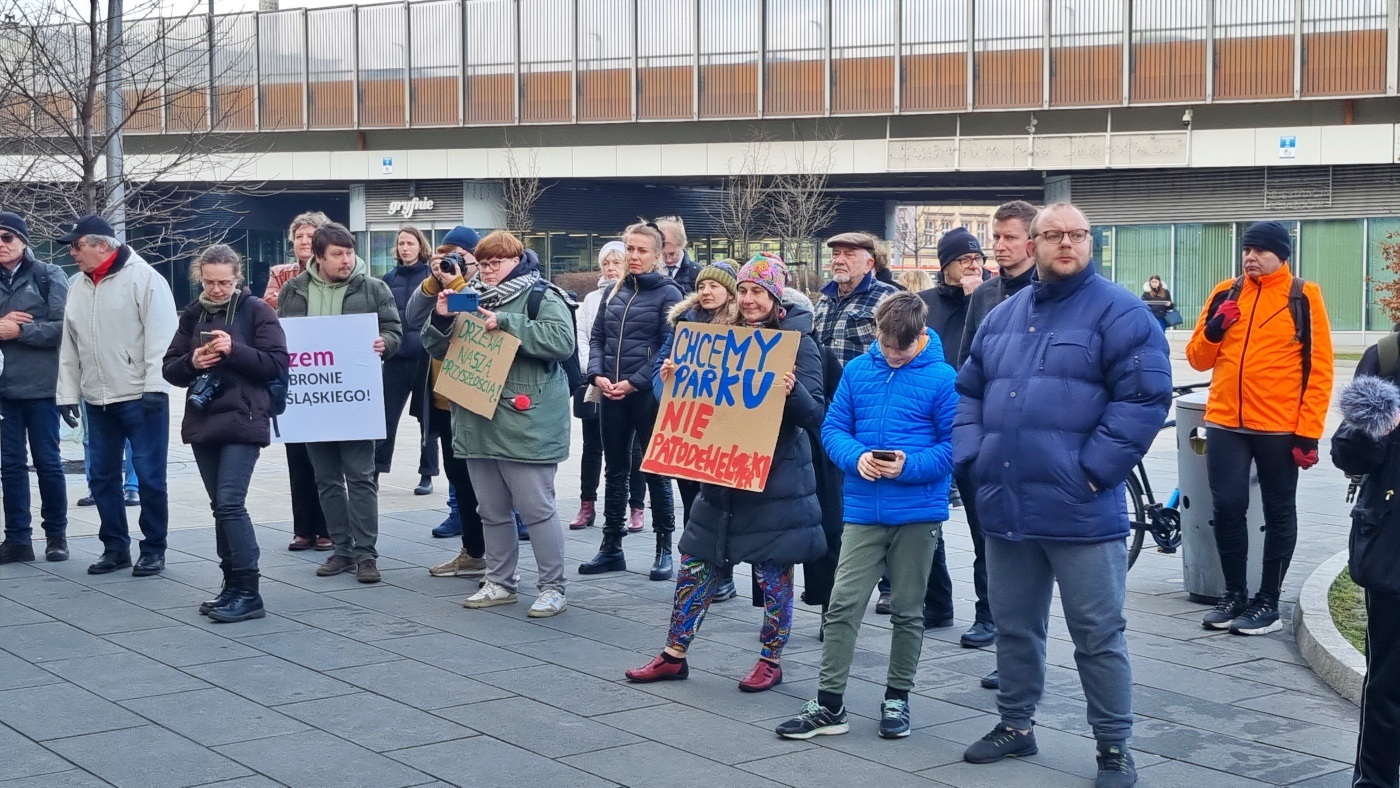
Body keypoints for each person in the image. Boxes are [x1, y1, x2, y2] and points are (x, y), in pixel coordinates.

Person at [954, 203, 1171, 787]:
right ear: (1034, 244)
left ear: (1090, 242)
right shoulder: (1003, 316)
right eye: (1053, 235)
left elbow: (1145, 398)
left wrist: (1093, 471)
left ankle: (1113, 747)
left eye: (1077, 234)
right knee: (1015, 624)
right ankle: (1015, 726)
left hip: (1081, 508)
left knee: (1098, 634)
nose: (1066, 244)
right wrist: (972, 457)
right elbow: (969, 392)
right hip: (1007, 503)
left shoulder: (1121, 311)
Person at [624, 253, 827, 692]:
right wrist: (673, 382)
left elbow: (816, 414)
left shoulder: (799, 344)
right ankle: (674, 655)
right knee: (695, 564)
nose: (750, 300)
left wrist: (790, 392)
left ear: (777, 298)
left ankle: (770, 660)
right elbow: (696, 405)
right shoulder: (721, 337)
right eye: (745, 291)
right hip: (722, 476)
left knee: (774, 575)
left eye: (759, 292)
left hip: (775, 481)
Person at [776, 292, 958, 740]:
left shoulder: (942, 377)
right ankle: (829, 703)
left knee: (908, 610)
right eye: (887, 345)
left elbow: (955, 447)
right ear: (877, 332)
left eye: (903, 347)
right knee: (842, 605)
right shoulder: (859, 371)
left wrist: (909, 466)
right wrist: (857, 458)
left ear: (920, 336)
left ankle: (897, 697)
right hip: (862, 509)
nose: (894, 355)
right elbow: (833, 428)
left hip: (916, 512)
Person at [1185, 220, 1333, 636]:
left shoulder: (1303, 296)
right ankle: (1235, 595)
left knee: (1279, 512)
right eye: (1247, 250)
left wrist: (1308, 433)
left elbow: (1319, 370)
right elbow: (1197, 358)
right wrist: (1215, 328)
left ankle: (1268, 601)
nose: (1250, 257)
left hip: (1279, 427)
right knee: (1227, 508)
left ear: (1281, 255)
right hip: (1226, 422)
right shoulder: (1225, 293)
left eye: (1260, 251)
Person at [423, 230, 574, 618]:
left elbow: (561, 342)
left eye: (496, 263)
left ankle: (553, 587)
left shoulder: (542, 294)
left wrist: (507, 322)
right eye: (484, 264)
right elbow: (438, 346)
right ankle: (500, 581)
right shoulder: (467, 296)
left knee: (537, 508)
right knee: (490, 510)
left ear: (516, 261)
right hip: (477, 417)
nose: (488, 271)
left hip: (526, 419)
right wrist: (440, 318)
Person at [162, 245, 289, 622]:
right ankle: (231, 585)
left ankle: (249, 591)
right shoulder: (193, 313)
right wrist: (192, 361)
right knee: (220, 506)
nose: (217, 289)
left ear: (238, 278)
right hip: (205, 419)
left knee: (231, 502)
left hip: (244, 418)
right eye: (210, 282)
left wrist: (234, 350)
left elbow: (277, 365)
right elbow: (170, 368)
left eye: (224, 282)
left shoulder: (256, 310)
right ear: (199, 278)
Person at [276, 222, 402, 584]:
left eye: (350, 253)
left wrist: (385, 343)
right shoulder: (294, 290)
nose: (346, 260)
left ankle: (366, 555)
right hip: (316, 399)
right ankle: (342, 550)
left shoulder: (374, 288)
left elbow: (395, 329)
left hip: (356, 398)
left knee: (361, 477)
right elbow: (283, 336)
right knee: (327, 478)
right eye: (337, 254)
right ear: (318, 257)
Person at [56, 214, 178, 577]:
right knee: (102, 478)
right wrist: (66, 393)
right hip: (98, 398)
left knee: (150, 477)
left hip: (141, 395)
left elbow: (162, 338)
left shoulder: (145, 279)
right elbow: (70, 346)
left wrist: (157, 386)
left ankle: (154, 549)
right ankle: (115, 547)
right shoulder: (78, 285)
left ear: (103, 246)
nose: (73, 253)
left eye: (77, 246)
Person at [954, 200, 1040, 685]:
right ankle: (989, 614)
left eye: (1009, 237)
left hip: (1031, 440)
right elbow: (969, 366)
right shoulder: (985, 295)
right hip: (984, 438)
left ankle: (1021, 652)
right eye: (997, 236)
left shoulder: (1048, 292)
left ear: (1032, 241)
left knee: (1022, 544)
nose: (999, 246)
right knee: (985, 534)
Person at [580, 221, 683, 580]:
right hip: (611, 393)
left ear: (657, 255)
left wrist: (634, 383)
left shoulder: (669, 294)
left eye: (641, 250)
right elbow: (597, 338)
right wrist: (597, 375)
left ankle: (664, 548)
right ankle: (611, 546)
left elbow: (671, 348)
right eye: (630, 249)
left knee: (655, 469)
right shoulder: (615, 290)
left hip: (645, 396)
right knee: (615, 469)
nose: (634, 256)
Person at [1330, 370, 1400, 788]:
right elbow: (1347, 455)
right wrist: (1376, 427)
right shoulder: (1389, 358)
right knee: (1388, 681)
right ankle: (1375, 781)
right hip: (1394, 555)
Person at [914, 227, 986, 631]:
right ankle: (937, 603)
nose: (973, 265)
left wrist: (979, 298)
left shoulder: (995, 298)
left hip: (977, 424)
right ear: (946, 266)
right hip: (933, 424)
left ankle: (987, 613)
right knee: (928, 519)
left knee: (982, 524)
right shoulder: (924, 305)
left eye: (978, 258)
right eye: (964, 260)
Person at [403, 242, 487, 580]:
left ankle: (492, 555)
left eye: (458, 258)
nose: (450, 265)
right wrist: (432, 281)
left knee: (483, 485)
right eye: (443, 259)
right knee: (459, 480)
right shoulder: (438, 285)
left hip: (473, 401)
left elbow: (476, 312)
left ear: (474, 260)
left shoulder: (486, 287)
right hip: (442, 399)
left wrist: (455, 282)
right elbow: (412, 316)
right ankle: (472, 551)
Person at [0, 211, 71, 564]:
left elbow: (63, 327)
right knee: (10, 466)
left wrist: (21, 331)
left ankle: (56, 536)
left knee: (48, 463)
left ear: (24, 241)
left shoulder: (48, 275)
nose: (0, 244)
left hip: (43, 387)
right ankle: (16, 538)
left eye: (7, 237)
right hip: (3, 391)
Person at [569, 241, 648, 533]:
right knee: (592, 446)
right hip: (595, 381)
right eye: (606, 263)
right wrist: (596, 373)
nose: (611, 268)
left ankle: (636, 507)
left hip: (631, 384)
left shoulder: (638, 295)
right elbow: (585, 340)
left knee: (635, 450)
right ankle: (587, 504)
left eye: (617, 262)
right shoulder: (590, 300)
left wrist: (629, 379)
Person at [272, 212, 333, 552]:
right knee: (297, 453)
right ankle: (303, 528)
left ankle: (327, 527)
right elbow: (271, 310)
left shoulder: (338, 273)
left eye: (312, 236)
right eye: (300, 236)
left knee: (326, 456)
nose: (305, 241)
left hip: (327, 373)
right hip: (294, 370)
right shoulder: (281, 276)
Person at [376, 225, 439, 495]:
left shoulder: (432, 277)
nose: (405, 248)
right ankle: (375, 470)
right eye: (401, 243)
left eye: (410, 243)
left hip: (425, 359)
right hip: (395, 359)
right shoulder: (387, 279)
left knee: (427, 420)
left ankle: (427, 474)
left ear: (420, 246)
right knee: (384, 420)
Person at [814, 231, 898, 367]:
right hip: (824, 386)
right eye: (835, 254)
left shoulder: (888, 297)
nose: (839, 261)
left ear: (868, 264)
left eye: (849, 254)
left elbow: (900, 351)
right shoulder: (824, 299)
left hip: (865, 386)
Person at [655, 215, 699, 293]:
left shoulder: (696, 272)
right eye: (663, 255)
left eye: (672, 254)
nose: (668, 260)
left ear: (681, 245)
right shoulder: (651, 270)